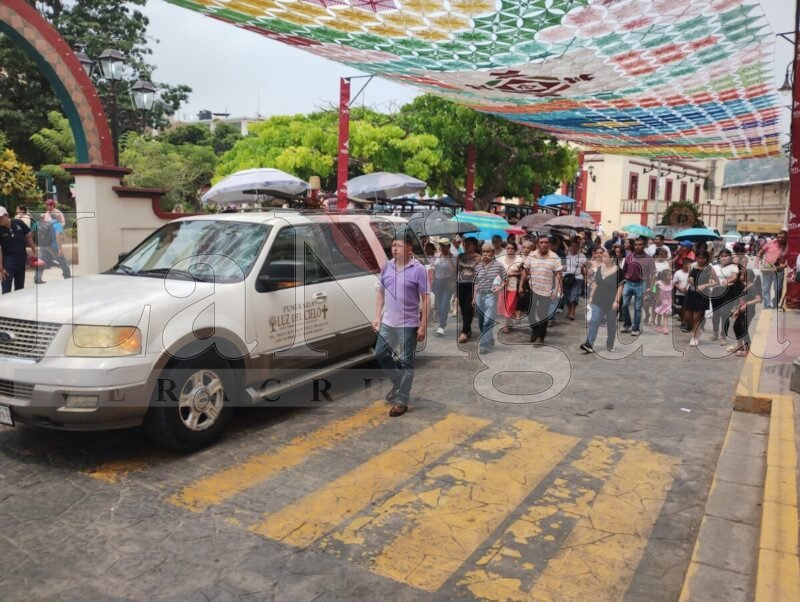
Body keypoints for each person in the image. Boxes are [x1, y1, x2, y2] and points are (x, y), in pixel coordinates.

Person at [372, 233, 430, 417]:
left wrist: (423, 326)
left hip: (408, 324)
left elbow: (425, 299)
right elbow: (380, 292)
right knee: (381, 354)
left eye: (398, 245)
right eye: (393, 246)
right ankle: (398, 382)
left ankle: (402, 400)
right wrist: (377, 317)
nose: (394, 249)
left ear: (409, 249)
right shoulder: (387, 266)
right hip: (388, 322)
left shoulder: (418, 269)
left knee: (406, 361)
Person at [580, 247, 623, 354]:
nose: (602, 257)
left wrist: (617, 301)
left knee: (611, 324)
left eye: (605, 256)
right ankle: (589, 344)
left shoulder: (619, 271)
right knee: (594, 321)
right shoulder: (599, 268)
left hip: (611, 301)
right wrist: (591, 297)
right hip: (598, 300)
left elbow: (620, 287)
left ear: (612, 258)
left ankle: (610, 343)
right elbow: (596, 282)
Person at [523, 236, 562, 346]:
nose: (544, 244)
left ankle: (541, 336)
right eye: (541, 242)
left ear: (548, 244)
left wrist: (556, 290)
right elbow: (525, 271)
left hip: (546, 290)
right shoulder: (532, 255)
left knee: (542, 314)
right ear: (537, 244)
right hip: (532, 287)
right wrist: (521, 285)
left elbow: (558, 275)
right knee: (530, 312)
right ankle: (535, 329)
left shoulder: (554, 257)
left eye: (546, 242)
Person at [472, 243, 506, 353]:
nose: (486, 254)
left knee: (487, 320)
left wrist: (500, 287)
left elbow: (506, 279)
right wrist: (473, 297)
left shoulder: (498, 265)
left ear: (493, 252)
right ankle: (490, 338)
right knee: (481, 321)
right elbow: (476, 283)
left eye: (488, 251)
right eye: (484, 251)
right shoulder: (477, 266)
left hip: (491, 296)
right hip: (480, 295)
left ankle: (484, 345)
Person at [683, 250, 719, 347]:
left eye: (703, 258)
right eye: (698, 258)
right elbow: (689, 278)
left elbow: (717, 282)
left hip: (703, 294)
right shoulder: (692, 266)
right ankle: (698, 330)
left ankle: (694, 337)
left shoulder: (709, 268)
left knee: (696, 317)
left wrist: (705, 285)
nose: (700, 260)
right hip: (691, 293)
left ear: (706, 259)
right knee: (687, 317)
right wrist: (689, 281)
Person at [621, 237, 655, 336]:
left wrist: (651, 287)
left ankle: (636, 328)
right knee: (624, 305)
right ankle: (627, 323)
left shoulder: (649, 259)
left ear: (644, 246)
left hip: (641, 284)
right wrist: (622, 282)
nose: (637, 246)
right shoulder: (629, 257)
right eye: (636, 245)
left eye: (640, 244)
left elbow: (653, 274)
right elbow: (624, 270)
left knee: (637, 307)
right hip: (628, 282)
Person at [729, 256, 762, 357]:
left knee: (743, 329)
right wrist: (737, 310)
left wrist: (747, 304)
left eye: (743, 275)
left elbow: (758, 299)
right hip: (742, 311)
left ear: (748, 277)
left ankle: (747, 349)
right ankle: (739, 346)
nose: (741, 276)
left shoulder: (752, 287)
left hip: (749, 312)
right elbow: (742, 300)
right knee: (736, 327)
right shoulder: (745, 287)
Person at [0, 206, 36, 294]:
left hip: (21, 258)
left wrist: (34, 251)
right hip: (8, 261)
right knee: (6, 286)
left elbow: (28, 236)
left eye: (0, 217)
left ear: (6, 215)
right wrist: (1, 269)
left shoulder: (18, 222)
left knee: (20, 287)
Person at [710, 249, 739, 344]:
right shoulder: (714, 267)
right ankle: (715, 333)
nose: (724, 258)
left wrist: (728, 280)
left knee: (725, 314)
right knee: (716, 313)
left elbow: (734, 277)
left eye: (726, 255)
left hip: (728, 291)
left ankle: (723, 336)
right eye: (722, 256)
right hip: (716, 290)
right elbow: (710, 277)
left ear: (730, 257)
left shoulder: (733, 267)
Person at [34, 212, 72, 284]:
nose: (61, 218)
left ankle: (37, 278)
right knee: (62, 261)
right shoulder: (57, 225)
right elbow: (58, 237)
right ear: (56, 217)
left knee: (41, 262)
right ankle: (67, 276)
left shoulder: (46, 223)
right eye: (59, 216)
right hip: (53, 247)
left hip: (43, 246)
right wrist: (60, 250)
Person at [456, 237, 480, 344]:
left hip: (472, 285)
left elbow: (480, 273)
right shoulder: (460, 256)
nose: (466, 246)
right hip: (460, 284)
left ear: (474, 246)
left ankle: (464, 332)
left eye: (469, 244)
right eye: (465, 244)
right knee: (462, 308)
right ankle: (468, 328)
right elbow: (456, 271)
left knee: (468, 308)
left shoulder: (478, 258)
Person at [432, 237, 457, 336]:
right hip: (437, 282)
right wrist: (433, 281)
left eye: (444, 246)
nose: (442, 248)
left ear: (448, 246)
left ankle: (441, 326)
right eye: (440, 246)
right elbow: (434, 268)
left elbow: (453, 270)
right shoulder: (437, 255)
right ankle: (443, 322)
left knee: (444, 304)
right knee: (438, 305)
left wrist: (449, 258)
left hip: (448, 283)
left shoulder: (454, 257)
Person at [757, 229, 787, 309]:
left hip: (779, 270)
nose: (780, 239)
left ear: (786, 238)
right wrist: (760, 262)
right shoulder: (770, 243)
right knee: (766, 288)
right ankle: (767, 305)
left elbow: (789, 261)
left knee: (778, 289)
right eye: (779, 237)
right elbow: (760, 253)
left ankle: (774, 303)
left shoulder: (787, 247)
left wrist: (783, 266)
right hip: (767, 269)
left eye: (782, 237)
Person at [498, 241, 524, 333]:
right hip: (503, 285)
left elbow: (523, 272)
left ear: (515, 249)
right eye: (508, 248)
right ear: (505, 249)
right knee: (504, 305)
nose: (510, 250)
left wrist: (513, 273)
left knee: (510, 305)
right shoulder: (500, 259)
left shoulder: (519, 259)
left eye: (512, 248)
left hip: (513, 285)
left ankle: (506, 324)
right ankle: (509, 321)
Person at [563, 239, 586, 321]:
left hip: (578, 278)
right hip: (566, 278)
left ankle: (572, 312)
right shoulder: (566, 256)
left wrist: (586, 278)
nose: (574, 247)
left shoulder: (582, 256)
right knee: (566, 296)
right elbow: (563, 266)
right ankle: (569, 310)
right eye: (572, 246)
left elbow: (584, 267)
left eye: (576, 246)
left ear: (579, 247)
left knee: (574, 295)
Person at [673, 258, 692, 329]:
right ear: (684, 265)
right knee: (679, 309)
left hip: (688, 294)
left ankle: (684, 321)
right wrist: (680, 288)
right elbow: (674, 283)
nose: (690, 266)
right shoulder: (678, 273)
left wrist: (687, 289)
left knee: (686, 308)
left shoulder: (691, 273)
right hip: (679, 293)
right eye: (688, 265)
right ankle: (682, 318)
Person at [653, 270, 673, 334]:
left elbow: (672, 292)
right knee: (659, 313)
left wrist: (673, 299)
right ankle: (658, 326)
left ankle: (665, 327)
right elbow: (654, 290)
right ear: (664, 277)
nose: (671, 277)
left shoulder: (671, 283)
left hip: (668, 301)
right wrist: (657, 298)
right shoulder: (659, 283)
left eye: (671, 275)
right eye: (669, 275)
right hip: (660, 301)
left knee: (666, 314)